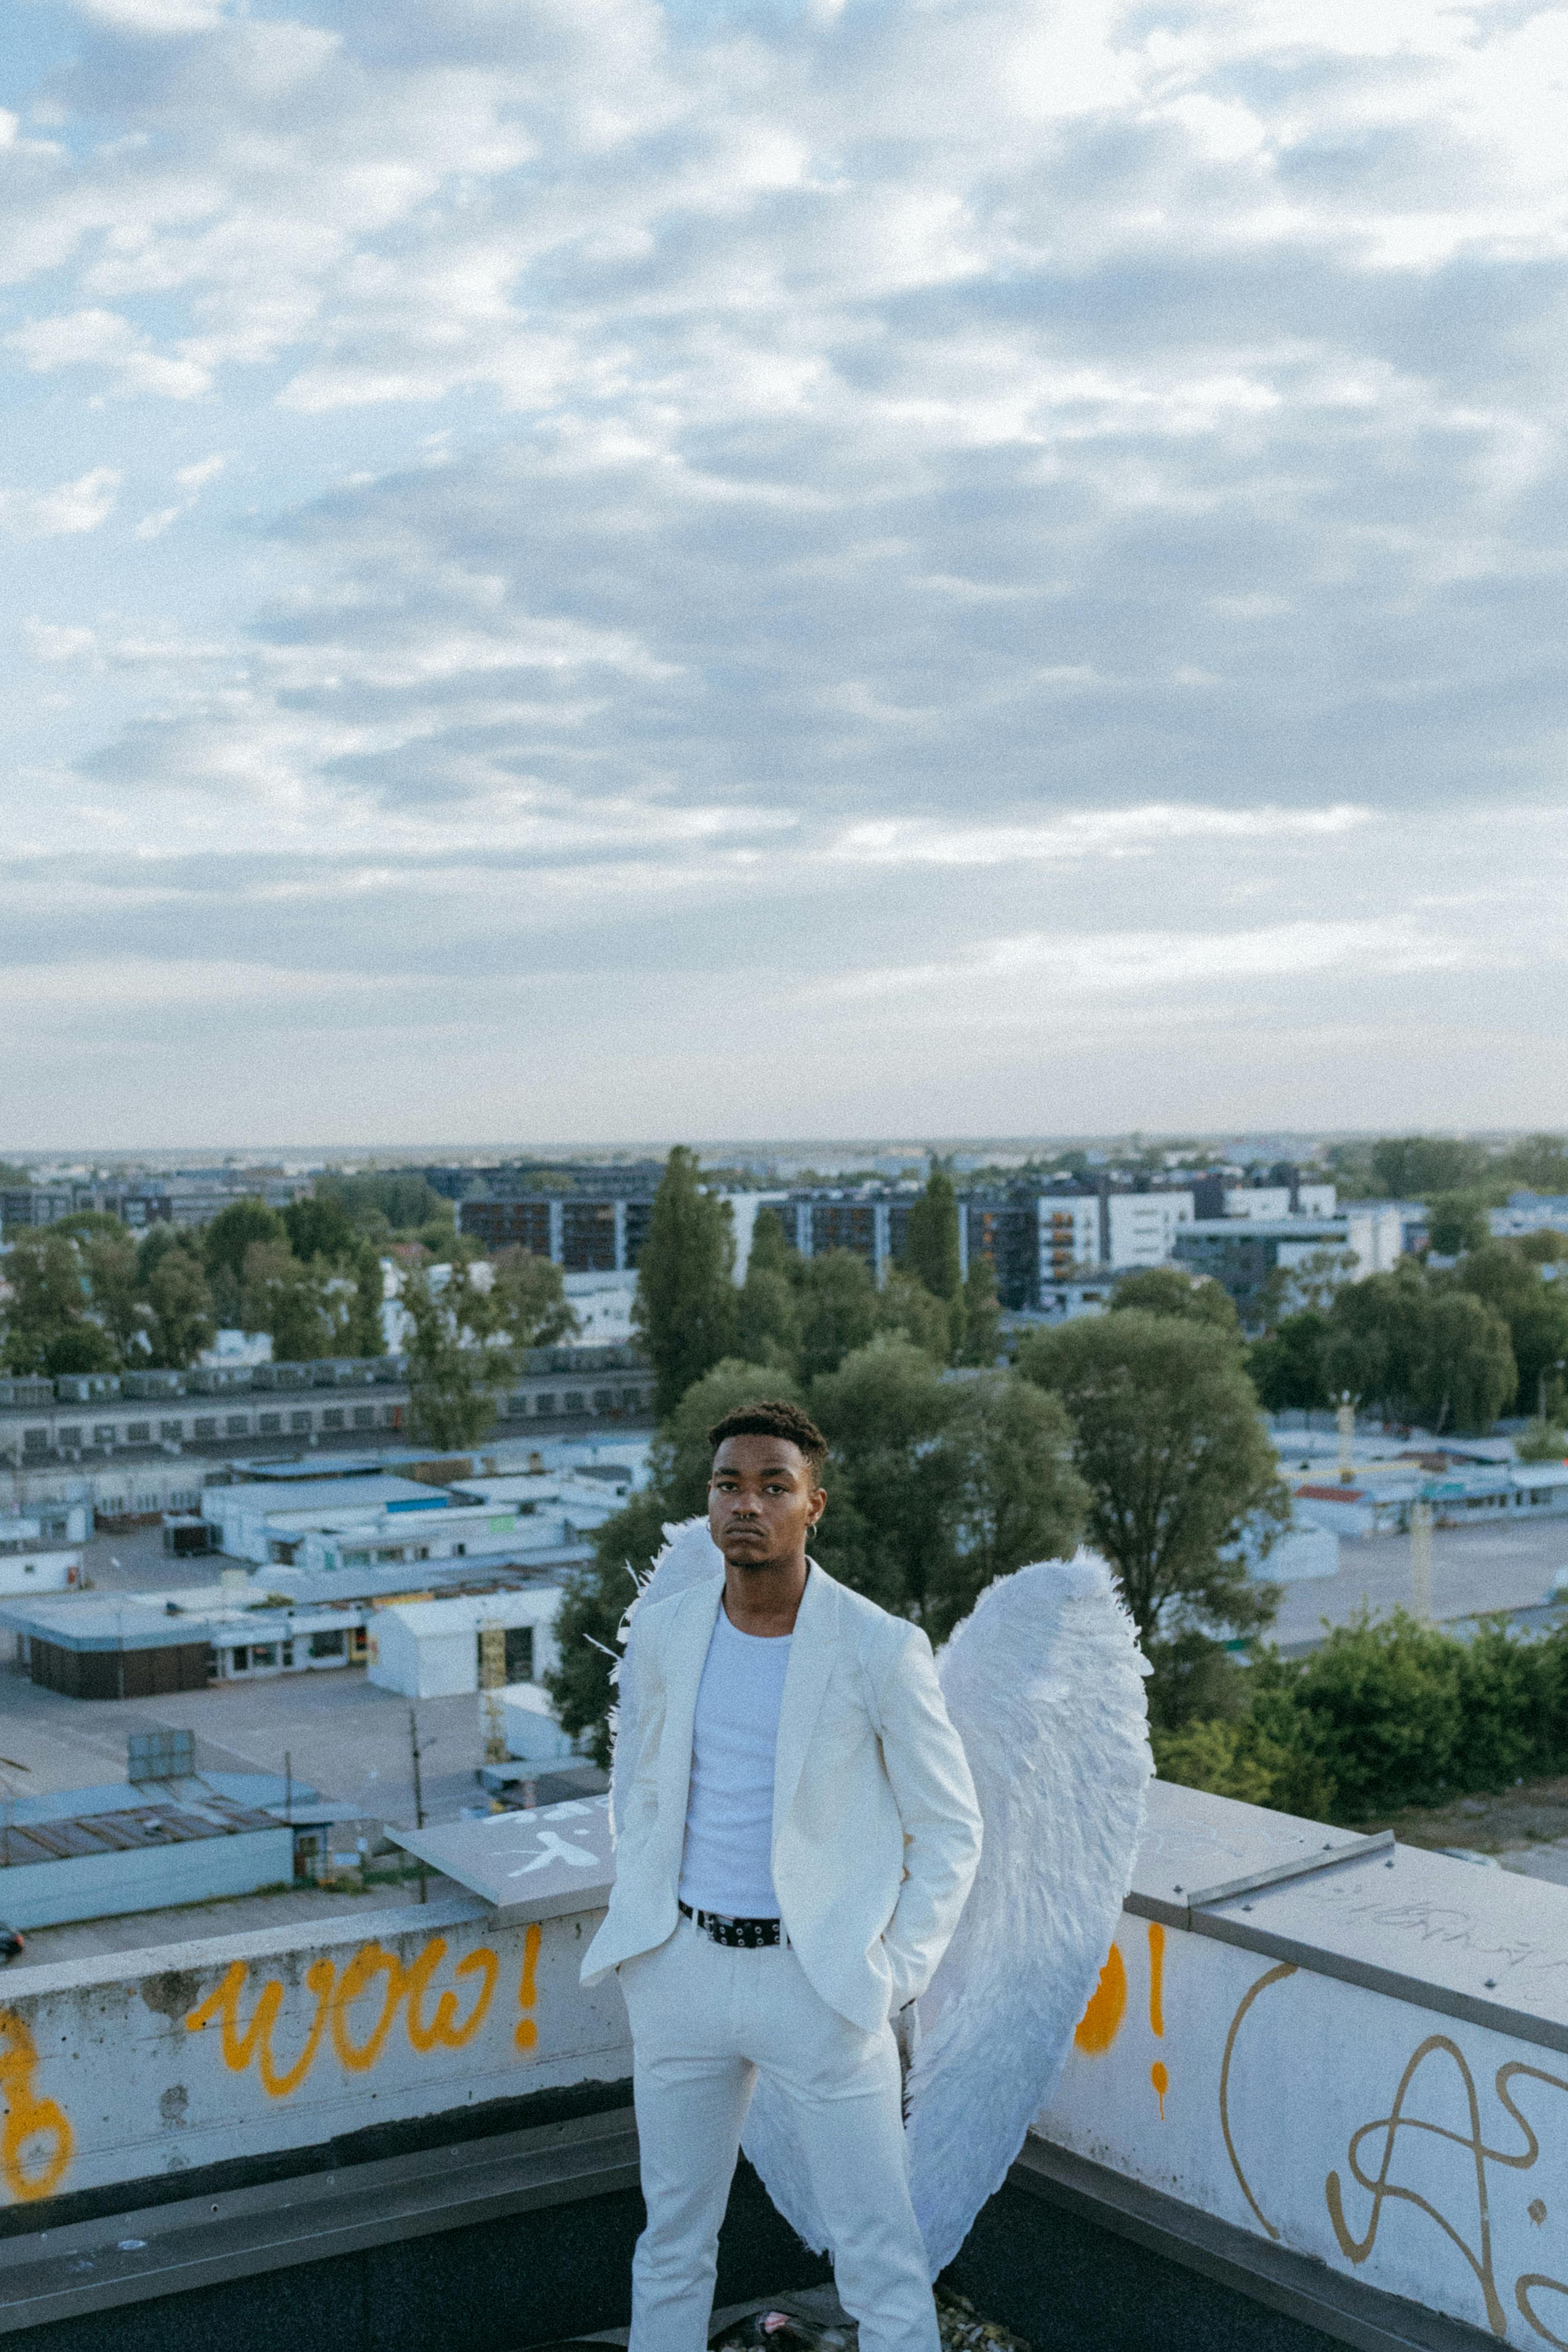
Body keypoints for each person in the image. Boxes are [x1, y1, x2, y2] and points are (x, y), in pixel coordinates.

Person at [582, 1400, 983, 2352]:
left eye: (773, 1486)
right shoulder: (666, 1632)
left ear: (814, 1507)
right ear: (708, 1501)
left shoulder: (879, 1646)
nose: (745, 1504)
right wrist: (646, 1936)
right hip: (679, 1968)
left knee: (878, 2254)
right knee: (671, 2243)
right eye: (729, 1484)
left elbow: (951, 1827)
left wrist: (891, 1973)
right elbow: (640, 1787)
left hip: (820, 1984)